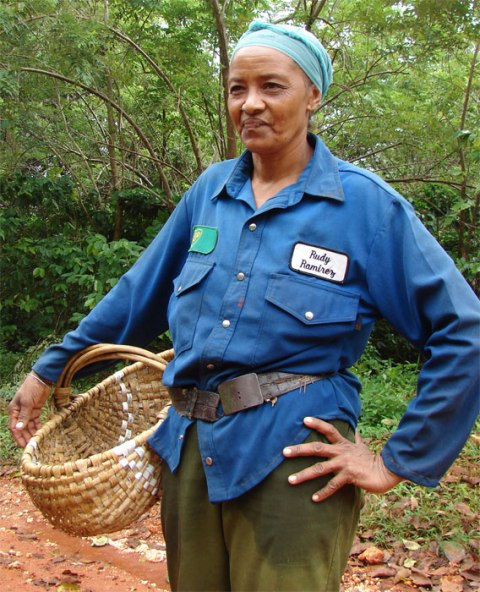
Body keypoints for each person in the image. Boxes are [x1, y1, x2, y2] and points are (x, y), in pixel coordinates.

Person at [9, 20, 480, 592]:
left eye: (271, 86)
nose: (250, 103)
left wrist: (394, 462)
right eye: (237, 88)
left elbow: (464, 330)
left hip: (293, 456)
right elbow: (138, 295)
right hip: (189, 450)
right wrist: (49, 370)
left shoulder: (365, 208)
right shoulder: (208, 193)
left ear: (313, 96)